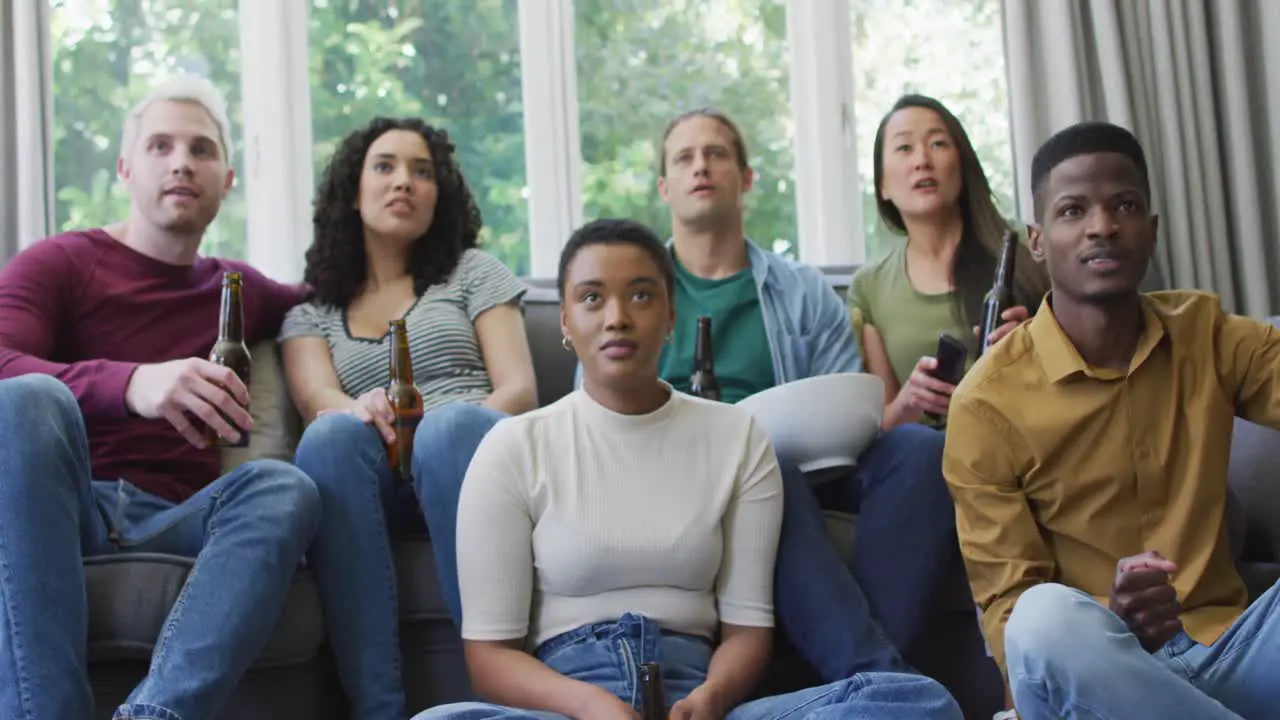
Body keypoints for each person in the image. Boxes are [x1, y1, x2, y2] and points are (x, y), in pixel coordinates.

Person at [413, 218, 963, 720]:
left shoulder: (737, 436)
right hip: (569, 700)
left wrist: (712, 698)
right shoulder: (514, 446)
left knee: (917, 702)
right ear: (565, 320)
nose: (617, 317)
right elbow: (490, 658)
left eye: (641, 295)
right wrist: (592, 707)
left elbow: (748, 631)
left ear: (671, 314)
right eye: (591, 298)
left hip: (699, 698)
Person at [0, 75, 321, 720]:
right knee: (27, 399)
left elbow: (332, 294)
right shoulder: (59, 262)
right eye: (160, 146)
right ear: (125, 166)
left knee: (285, 489)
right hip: (67, 505)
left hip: (176, 516)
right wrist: (132, 383)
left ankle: (155, 715)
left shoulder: (238, 287)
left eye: (202, 149)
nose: (182, 162)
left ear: (227, 180)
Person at [944, 120, 1280, 720]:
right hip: (1096, 682)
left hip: (1229, 652)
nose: (1103, 225)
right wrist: (1111, 617)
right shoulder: (984, 405)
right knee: (1041, 617)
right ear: (1039, 241)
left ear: (1150, 231)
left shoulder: (1208, 335)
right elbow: (1008, 614)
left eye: (1124, 205)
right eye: (1074, 210)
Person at [650, 108, 963, 676]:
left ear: (745, 180)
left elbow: (852, 410)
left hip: (801, 472)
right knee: (766, 470)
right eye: (685, 158)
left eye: (717, 154)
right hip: (683, 479)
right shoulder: (635, 294)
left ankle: (856, 684)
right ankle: (881, 685)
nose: (702, 167)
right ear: (664, 187)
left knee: (919, 450)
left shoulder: (803, 290)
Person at [280, 117, 537, 713]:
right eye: (386, 166)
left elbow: (519, 390)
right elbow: (318, 399)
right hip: (378, 478)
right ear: (352, 190)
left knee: (446, 430)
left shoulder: (473, 272)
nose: (406, 182)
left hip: (475, 459)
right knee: (329, 440)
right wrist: (358, 410)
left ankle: (500, 704)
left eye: (423, 172)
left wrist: (439, 441)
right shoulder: (311, 311)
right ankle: (378, 711)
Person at [851, 94, 1048, 429]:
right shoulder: (869, 286)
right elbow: (881, 425)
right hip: (928, 455)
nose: (922, 161)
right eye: (904, 148)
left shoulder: (1026, 247)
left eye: (938, 143)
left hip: (1026, 431)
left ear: (962, 164)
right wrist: (909, 400)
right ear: (883, 184)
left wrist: (1037, 343)